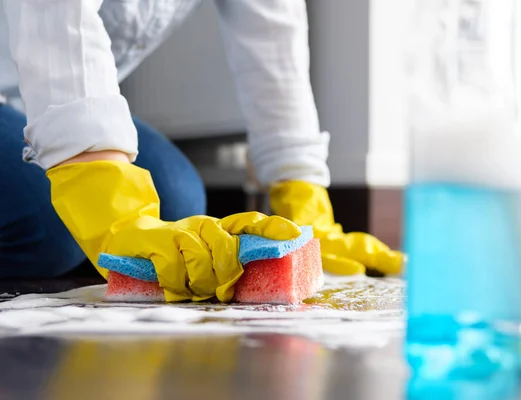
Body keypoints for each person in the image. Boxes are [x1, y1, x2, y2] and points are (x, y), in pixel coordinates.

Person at [0, 0, 402, 302]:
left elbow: (272, 40)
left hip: (30, 104)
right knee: (51, 229)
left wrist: (304, 204)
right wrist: (93, 179)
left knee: (178, 198)